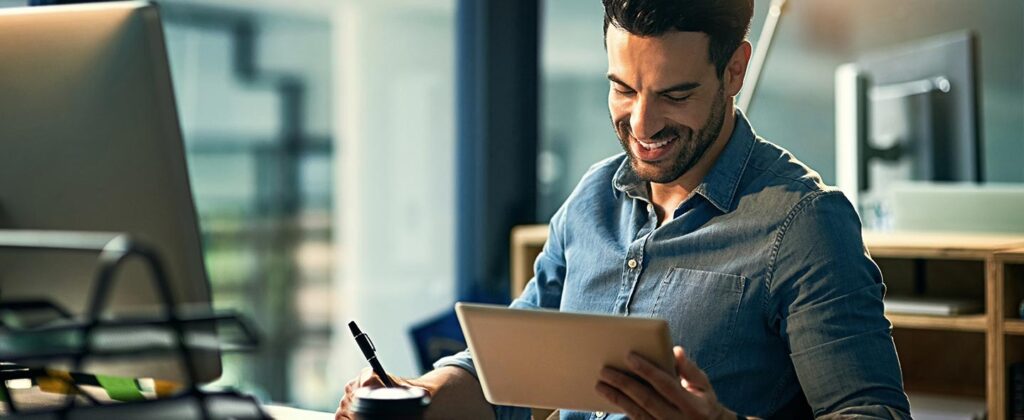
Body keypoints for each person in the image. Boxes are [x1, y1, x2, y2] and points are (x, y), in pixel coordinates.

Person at [337, 0, 911, 418]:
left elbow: (873, 414)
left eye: (674, 95)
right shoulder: (590, 201)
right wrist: (415, 397)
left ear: (734, 70)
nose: (641, 125)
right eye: (624, 89)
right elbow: (505, 375)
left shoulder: (804, 224)